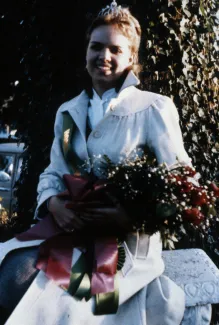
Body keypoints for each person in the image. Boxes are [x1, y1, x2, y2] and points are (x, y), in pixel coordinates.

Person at [0, 2, 192, 324]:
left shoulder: (153, 109)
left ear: (131, 58)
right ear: (86, 52)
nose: (104, 56)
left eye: (116, 49)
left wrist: (129, 215)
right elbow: (54, 171)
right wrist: (52, 203)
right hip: (70, 229)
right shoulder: (69, 112)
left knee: (66, 302)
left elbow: (180, 183)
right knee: (9, 270)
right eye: (96, 46)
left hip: (123, 245)